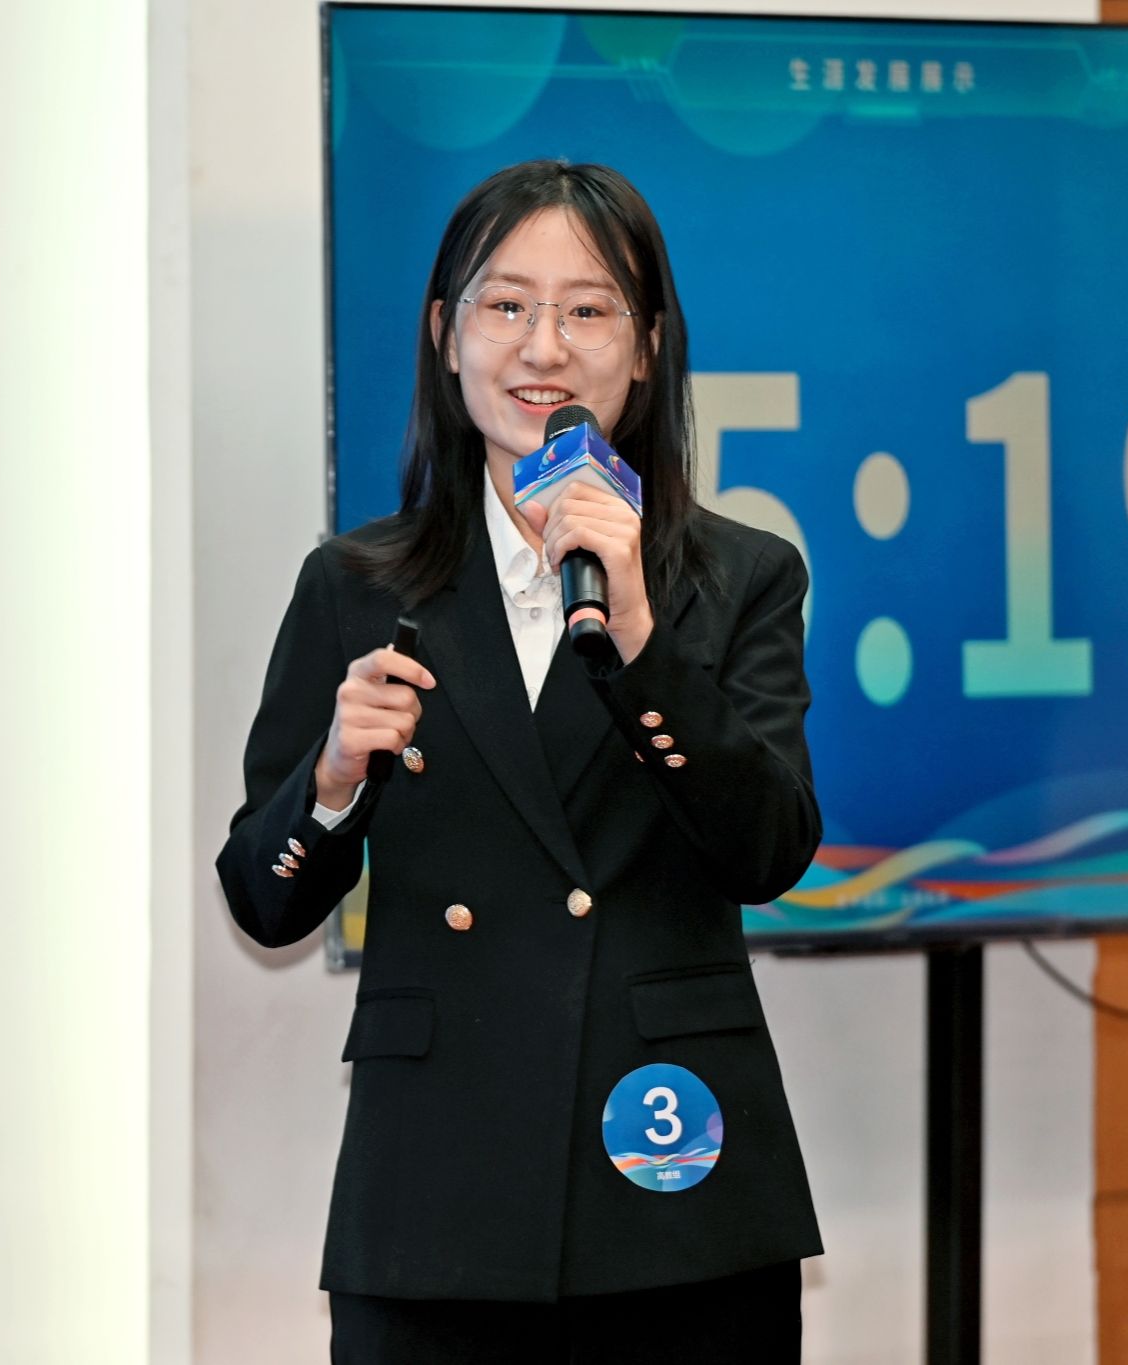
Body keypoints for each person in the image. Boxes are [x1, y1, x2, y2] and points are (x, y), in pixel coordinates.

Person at [217, 160, 822, 1363]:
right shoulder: (355, 586)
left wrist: (640, 638)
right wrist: (330, 783)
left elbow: (769, 851)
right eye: (506, 305)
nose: (544, 346)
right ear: (447, 335)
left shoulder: (740, 577)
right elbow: (262, 901)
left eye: (588, 310)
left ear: (648, 348)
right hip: (437, 1192)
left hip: (669, 1172)